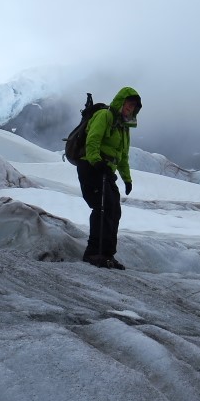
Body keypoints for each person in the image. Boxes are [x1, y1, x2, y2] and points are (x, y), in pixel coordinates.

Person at [77, 87, 141, 269]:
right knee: (101, 208)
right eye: (128, 104)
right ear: (121, 102)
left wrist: (127, 179)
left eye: (133, 106)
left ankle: (107, 255)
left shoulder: (123, 128)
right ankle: (93, 253)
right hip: (91, 167)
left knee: (113, 210)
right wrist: (96, 162)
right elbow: (93, 140)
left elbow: (122, 156)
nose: (130, 108)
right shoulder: (105, 116)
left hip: (106, 171)